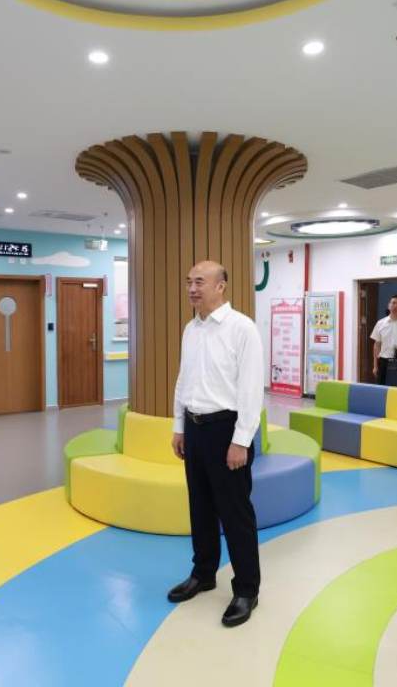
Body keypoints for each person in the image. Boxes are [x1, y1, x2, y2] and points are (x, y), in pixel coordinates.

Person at [167, 261, 263, 628]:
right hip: (194, 430)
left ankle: (247, 589)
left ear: (221, 286)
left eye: (200, 282)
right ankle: (203, 573)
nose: (192, 288)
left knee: (235, 514)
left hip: (227, 431)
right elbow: (183, 380)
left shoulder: (242, 328)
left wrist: (241, 440)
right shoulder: (191, 329)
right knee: (200, 508)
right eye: (189, 282)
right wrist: (179, 427)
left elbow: (251, 389)